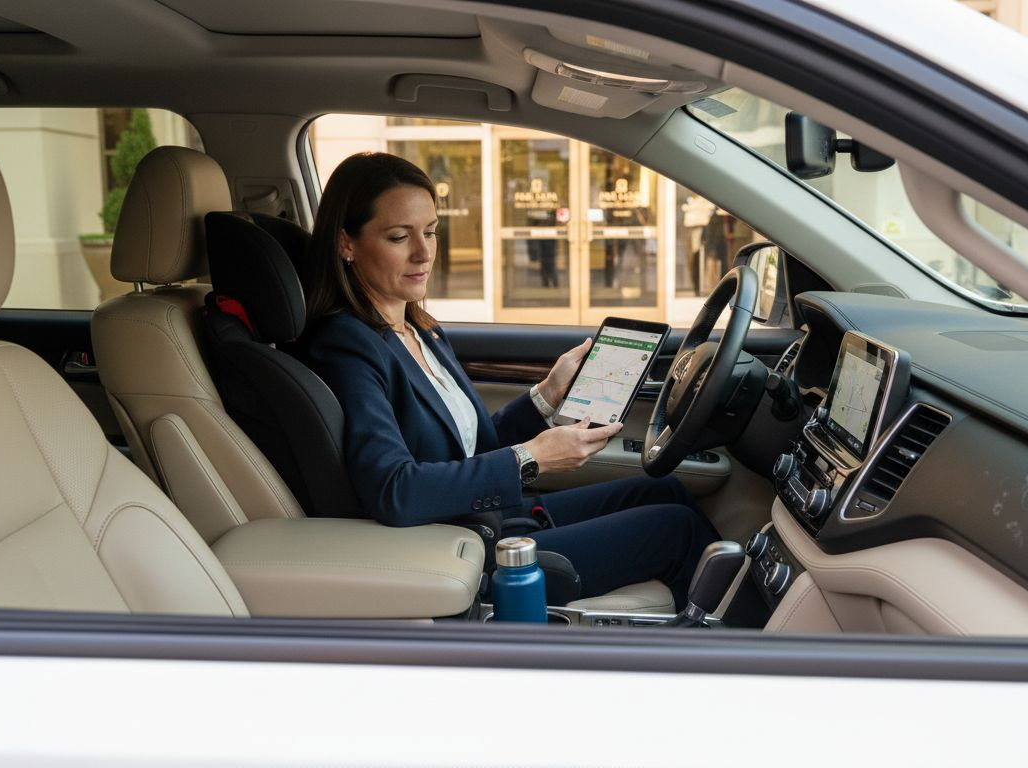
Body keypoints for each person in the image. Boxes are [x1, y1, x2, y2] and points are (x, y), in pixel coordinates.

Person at [298, 152, 720, 610]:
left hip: (493, 518)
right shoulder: (345, 345)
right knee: (676, 528)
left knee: (664, 489)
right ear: (347, 244)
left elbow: (472, 447)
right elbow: (394, 489)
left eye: (431, 231)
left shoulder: (420, 329)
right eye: (399, 236)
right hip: (458, 550)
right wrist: (531, 458)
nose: (424, 252)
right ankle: (741, 641)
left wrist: (547, 395)